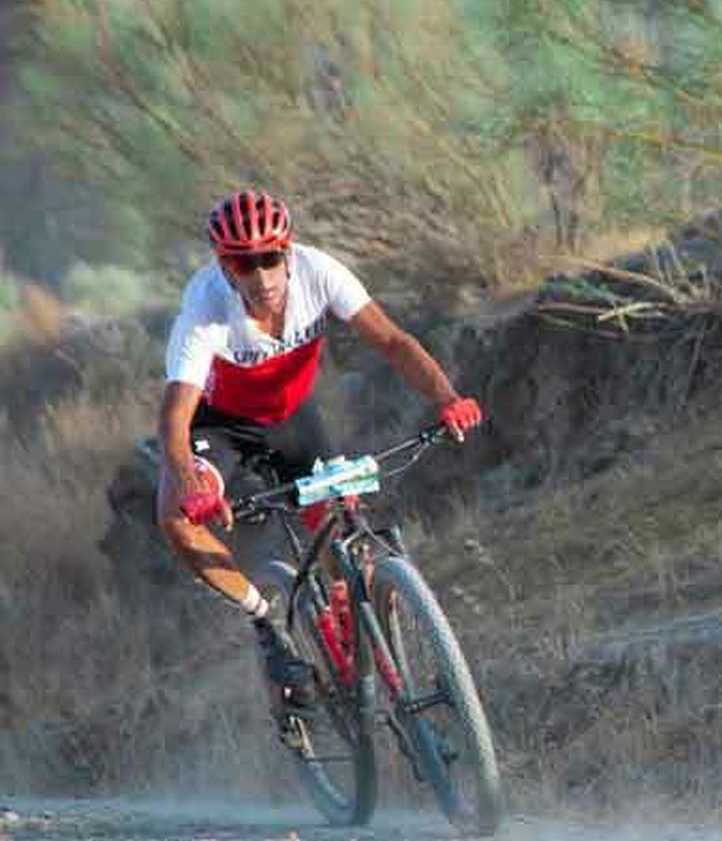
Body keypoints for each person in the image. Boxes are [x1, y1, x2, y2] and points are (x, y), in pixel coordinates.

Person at [155, 189, 483, 716]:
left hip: (292, 420)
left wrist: (448, 399)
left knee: (341, 525)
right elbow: (173, 416)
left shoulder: (319, 271)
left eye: (270, 258)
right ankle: (265, 618)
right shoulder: (204, 308)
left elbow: (395, 343)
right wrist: (192, 489)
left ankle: (356, 633)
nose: (260, 276)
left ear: (287, 250)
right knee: (174, 519)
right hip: (220, 428)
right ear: (224, 265)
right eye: (243, 263)